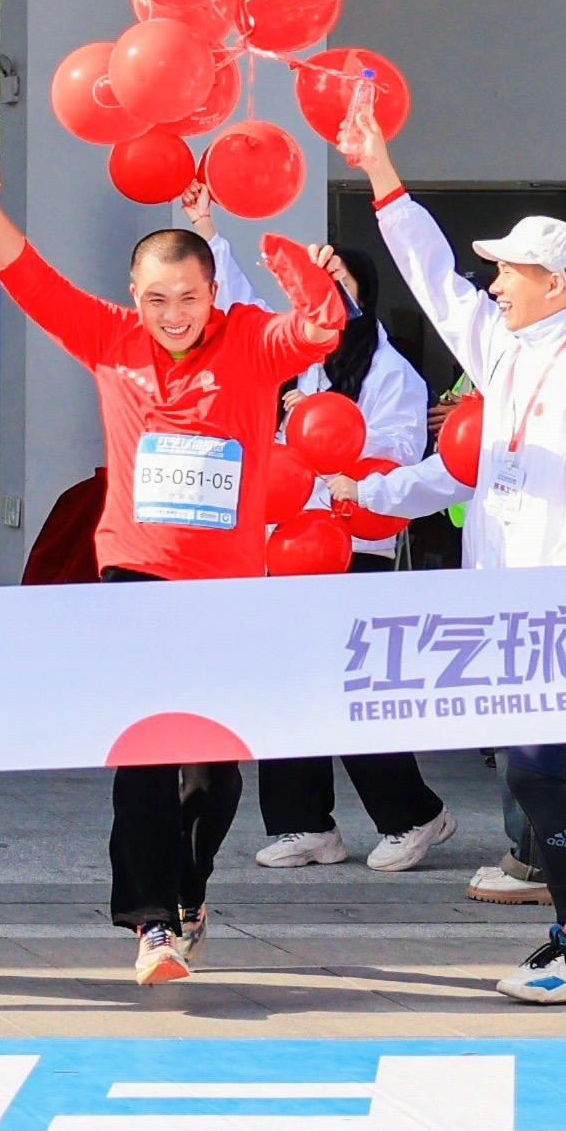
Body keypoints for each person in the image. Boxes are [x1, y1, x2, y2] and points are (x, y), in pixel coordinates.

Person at [0, 156, 343, 988]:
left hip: (226, 591)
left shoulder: (251, 340)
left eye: (189, 298)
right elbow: (30, 280)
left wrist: (298, 270)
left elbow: (319, 329)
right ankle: (152, 922)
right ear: (134, 295)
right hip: (135, 580)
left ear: (213, 292)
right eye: (157, 298)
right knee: (142, 758)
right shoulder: (111, 339)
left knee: (211, 773)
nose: (173, 315)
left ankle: (189, 892)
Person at [333, 88, 566, 1003]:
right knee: (544, 779)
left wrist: (563, 617)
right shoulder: (506, 354)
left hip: (560, 614)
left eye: (509, 270)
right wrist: (380, 170)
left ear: (558, 282)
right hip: (510, 611)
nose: (494, 283)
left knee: (541, 775)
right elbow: (433, 280)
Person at [192, 212, 458, 876]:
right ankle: (304, 823)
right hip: (285, 544)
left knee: (348, 691)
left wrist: (332, 433)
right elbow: (239, 311)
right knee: (284, 685)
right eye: (315, 287)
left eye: (338, 287)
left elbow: (398, 454)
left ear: (362, 299)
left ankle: (413, 814)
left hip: (350, 548)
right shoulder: (298, 360)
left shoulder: (390, 372)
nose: (325, 299)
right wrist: (208, 230)